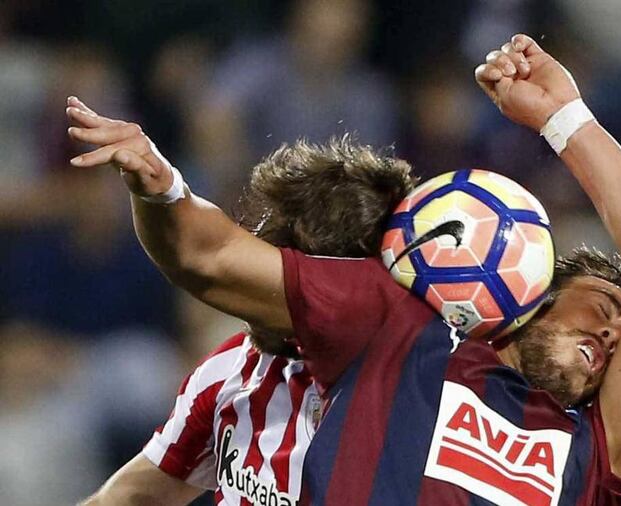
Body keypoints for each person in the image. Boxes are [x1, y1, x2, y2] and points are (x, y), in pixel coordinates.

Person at [67, 33, 621, 505]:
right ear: (527, 296)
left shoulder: (599, 456)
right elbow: (207, 257)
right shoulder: (403, 334)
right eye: (603, 308)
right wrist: (163, 188)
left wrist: (565, 119)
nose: (614, 334)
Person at [78, 138, 417, 506]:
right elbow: (129, 497)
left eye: (280, 255)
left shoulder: (430, 388)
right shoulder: (234, 373)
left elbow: (199, 259)